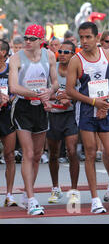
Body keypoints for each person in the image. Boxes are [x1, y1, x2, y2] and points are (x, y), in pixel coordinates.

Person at [66, 21, 109, 213]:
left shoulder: (107, 55)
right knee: (90, 153)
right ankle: (95, 198)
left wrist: (106, 101)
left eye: (88, 37)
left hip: (105, 108)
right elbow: (69, 90)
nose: (84, 41)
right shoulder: (76, 60)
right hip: (86, 111)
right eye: (81, 37)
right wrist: (93, 102)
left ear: (97, 38)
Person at [9, 24, 59, 215]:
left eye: (31, 39)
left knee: (37, 155)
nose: (27, 42)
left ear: (41, 41)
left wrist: (50, 91)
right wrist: (36, 94)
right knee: (28, 153)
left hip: (41, 108)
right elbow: (13, 87)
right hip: (22, 107)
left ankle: (27, 192)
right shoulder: (16, 58)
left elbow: (54, 82)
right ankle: (31, 198)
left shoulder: (50, 56)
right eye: (25, 38)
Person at [46, 41, 80, 205]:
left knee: (72, 150)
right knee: (53, 153)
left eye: (67, 52)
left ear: (73, 53)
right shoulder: (52, 69)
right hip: (53, 114)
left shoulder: (78, 68)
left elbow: (83, 92)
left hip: (71, 115)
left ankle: (73, 191)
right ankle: (55, 188)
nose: (63, 54)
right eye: (60, 51)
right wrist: (57, 97)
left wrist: (69, 98)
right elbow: (44, 91)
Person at [0, 39, 18, 207]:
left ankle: (10, 194)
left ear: (3, 53)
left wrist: (8, 98)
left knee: (10, 155)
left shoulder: (10, 69)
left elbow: (15, 90)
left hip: (6, 116)